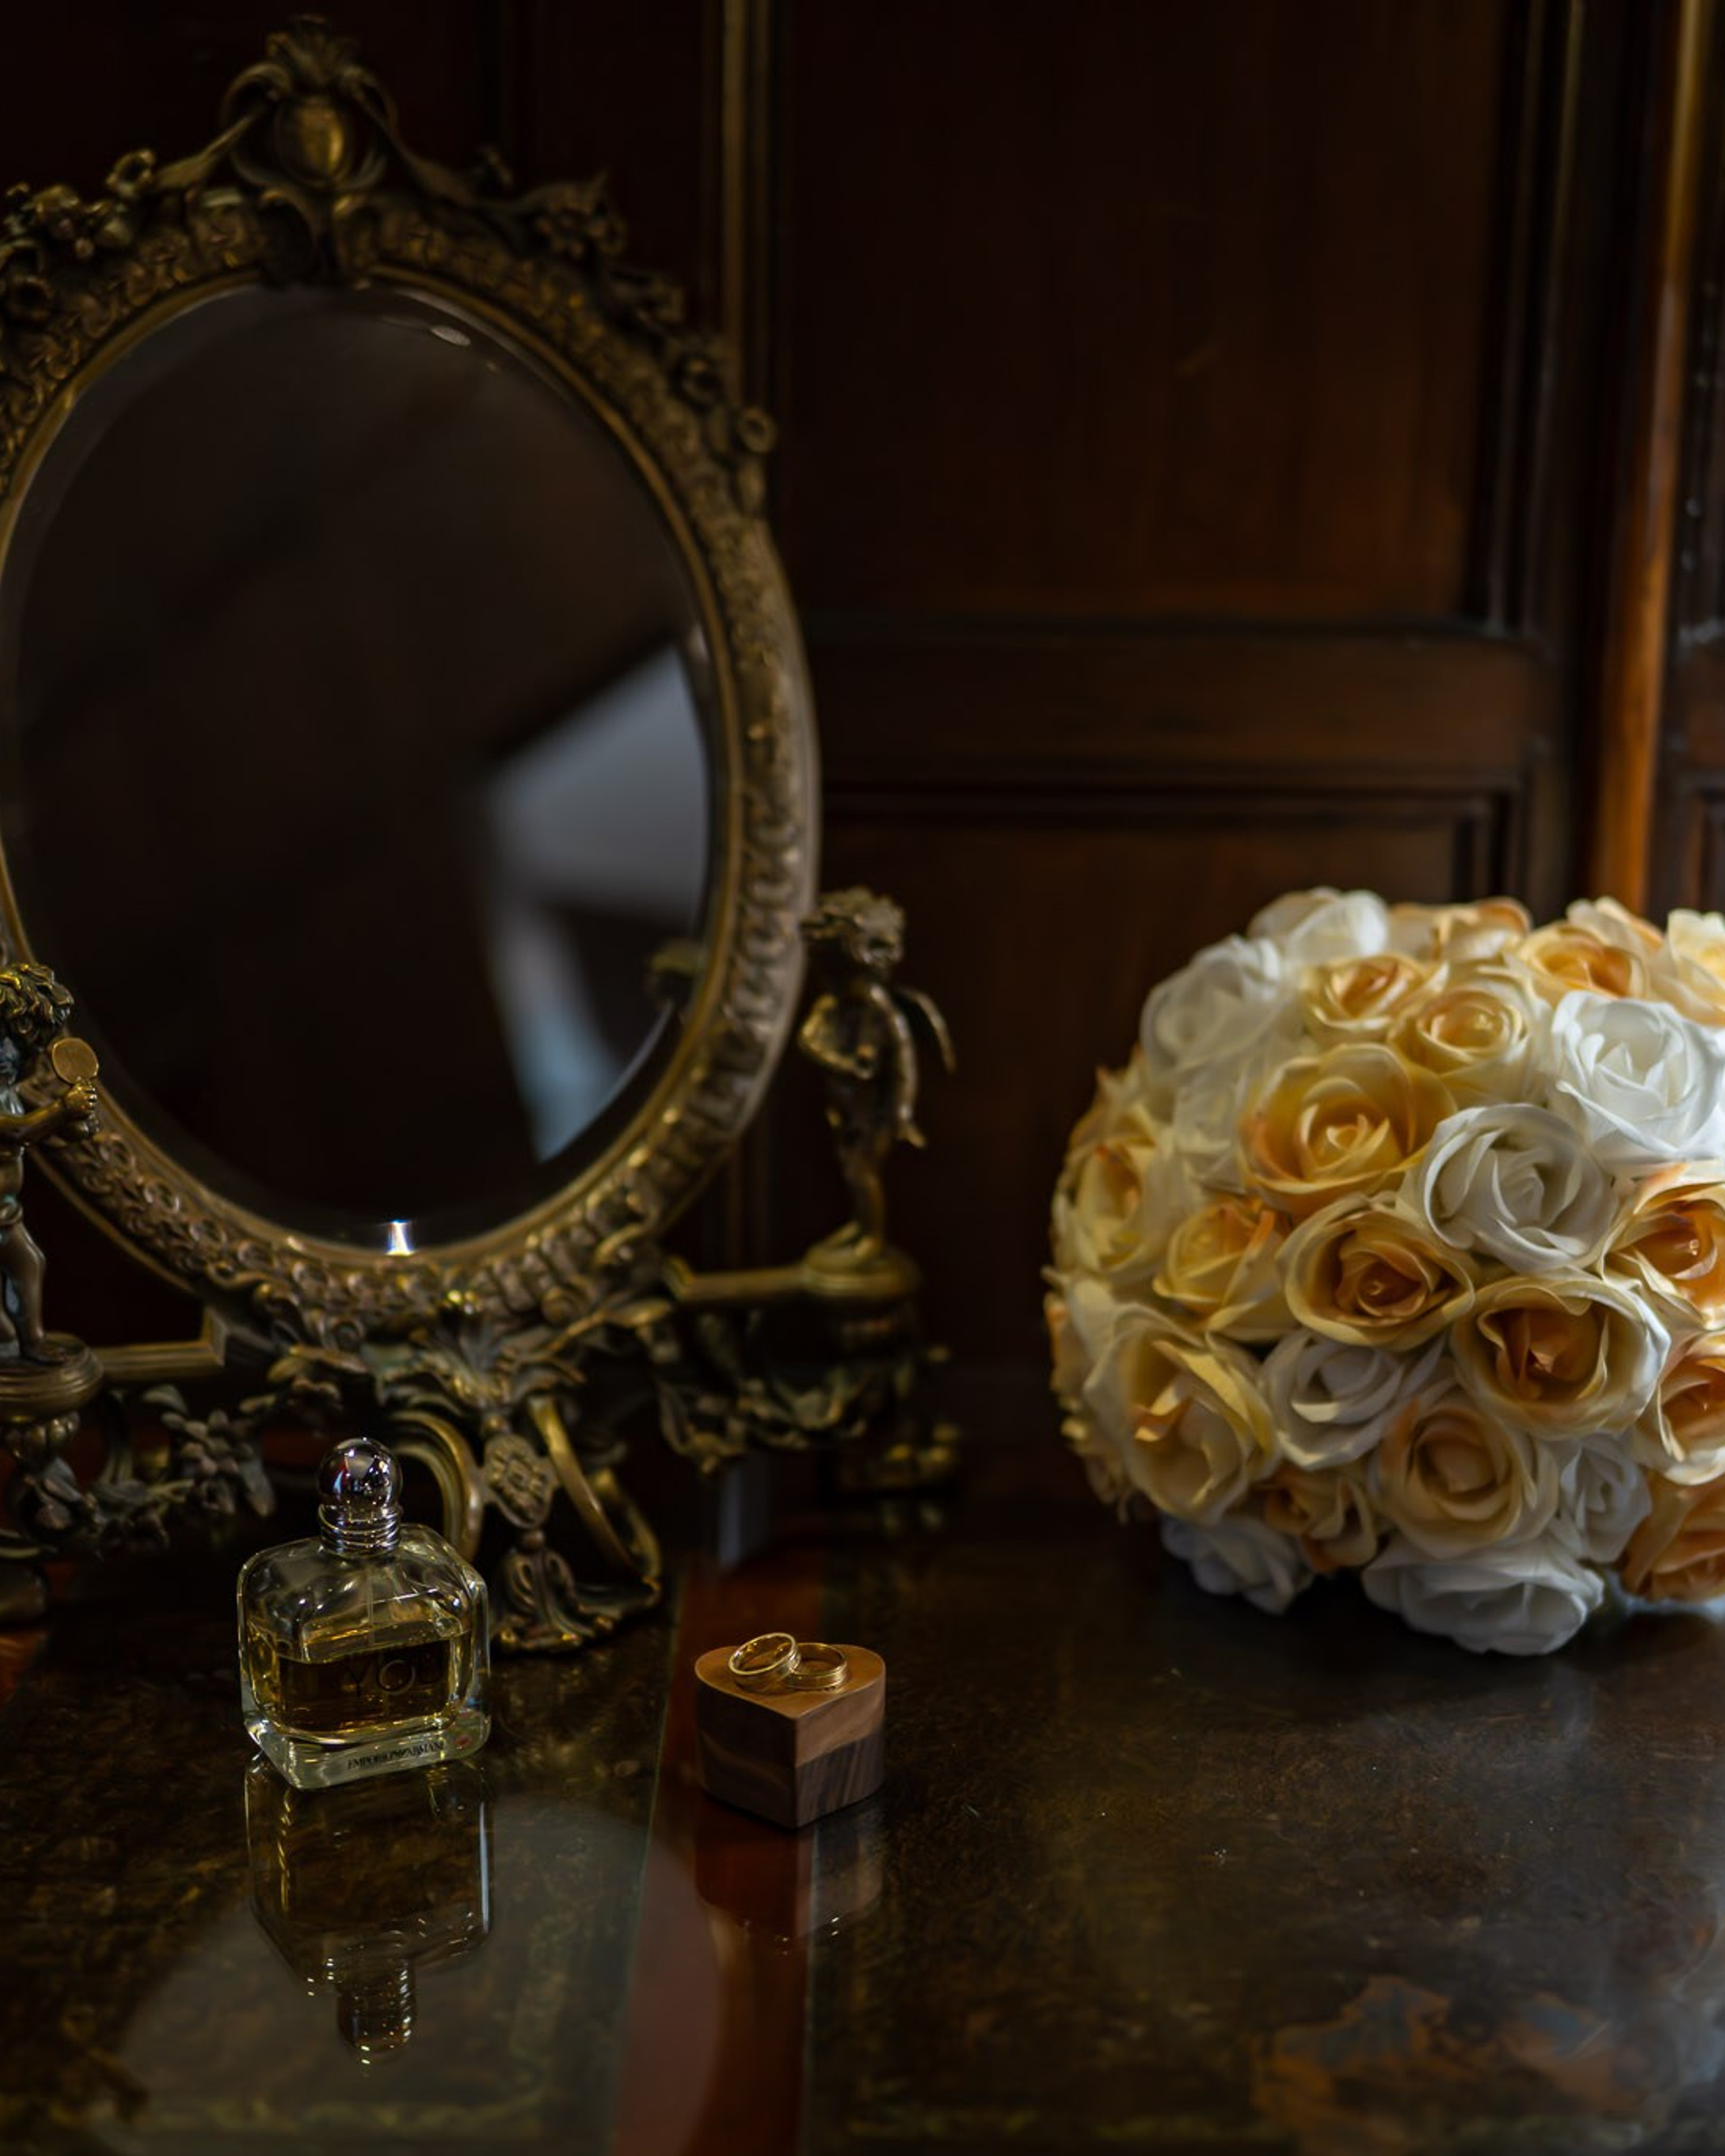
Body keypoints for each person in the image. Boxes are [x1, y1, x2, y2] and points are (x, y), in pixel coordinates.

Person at [0, 961, 98, 1362]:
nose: (8, 1057)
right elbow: (18, 1132)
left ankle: (34, 1342)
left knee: (30, 1265)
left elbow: (43, 1127)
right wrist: (61, 1111)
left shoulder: (9, 1089)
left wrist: (76, 1123)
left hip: (6, 1214)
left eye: (16, 1048)